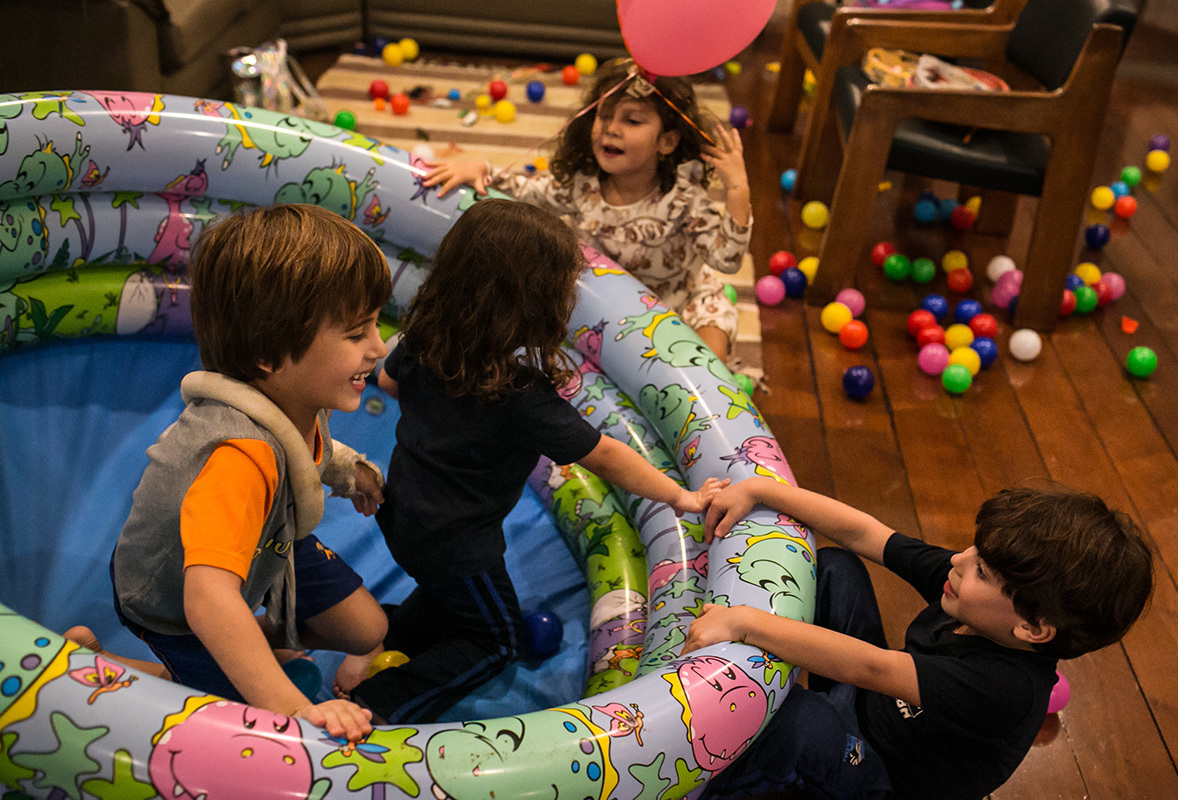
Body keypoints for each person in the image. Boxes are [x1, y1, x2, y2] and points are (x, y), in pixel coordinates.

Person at [337, 198, 728, 724]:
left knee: (451, 599)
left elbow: (388, 380)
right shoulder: (519, 395)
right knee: (496, 641)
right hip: (457, 546)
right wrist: (682, 495)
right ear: (536, 304)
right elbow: (607, 456)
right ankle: (378, 703)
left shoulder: (426, 339)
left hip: (401, 511)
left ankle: (379, 637)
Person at [91, 204, 393, 743]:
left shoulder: (291, 396)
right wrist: (295, 708)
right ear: (268, 354)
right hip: (177, 598)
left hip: (264, 536)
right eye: (356, 334)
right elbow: (207, 600)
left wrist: (350, 474)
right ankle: (108, 668)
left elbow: (303, 448)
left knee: (367, 628)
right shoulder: (239, 458)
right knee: (228, 712)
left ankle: (255, 642)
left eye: (374, 325)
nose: (378, 347)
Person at [682, 478, 1154, 800]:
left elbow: (872, 667)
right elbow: (867, 533)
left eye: (982, 570)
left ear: (1032, 628)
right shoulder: (973, 591)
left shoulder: (1008, 689)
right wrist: (761, 489)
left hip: (881, 777)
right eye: (975, 552)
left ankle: (699, 786)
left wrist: (745, 622)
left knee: (800, 724)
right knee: (837, 569)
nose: (959, 560)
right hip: (867, 702)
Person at [419, 58, 752, 362]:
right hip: (600, 303)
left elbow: (726, 260)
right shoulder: (583, 185)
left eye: (632, 120)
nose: (611, 128)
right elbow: (526, 192)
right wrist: (483, 168)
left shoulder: (684, 198)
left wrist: (738, 189)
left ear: (666, 141)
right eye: (604, 115)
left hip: (675, 304)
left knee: (711, 351)